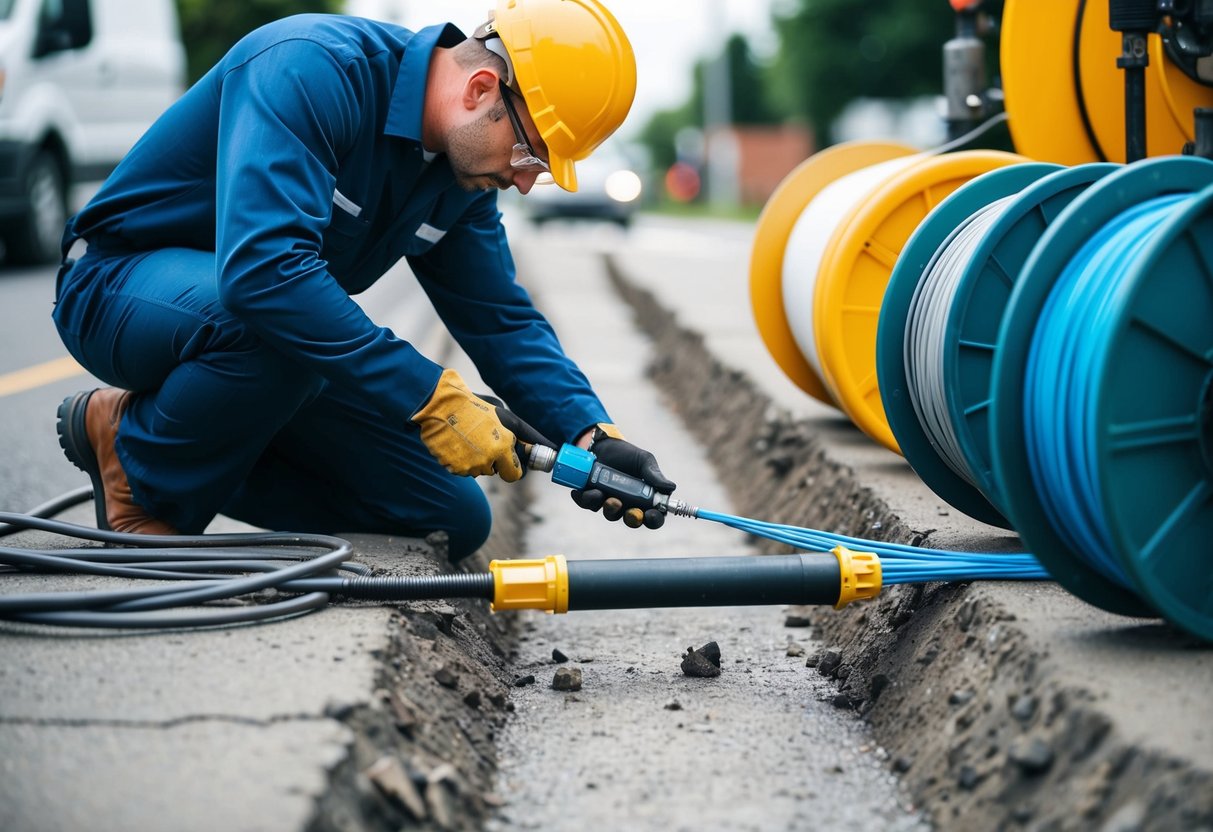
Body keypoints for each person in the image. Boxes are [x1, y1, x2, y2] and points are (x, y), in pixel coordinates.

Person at [50, 0, 675, 560]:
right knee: (282, 316)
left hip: (264, 346)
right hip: (116, 286)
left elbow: (499, 318)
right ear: (481, 88)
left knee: (450, 518)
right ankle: (138, 464)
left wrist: (591, 435)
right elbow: (266, 274)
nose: (526, 181)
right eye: (531, 154)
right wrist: (430, 395)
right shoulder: (311, 69)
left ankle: (195, 436)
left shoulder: (459, 178)